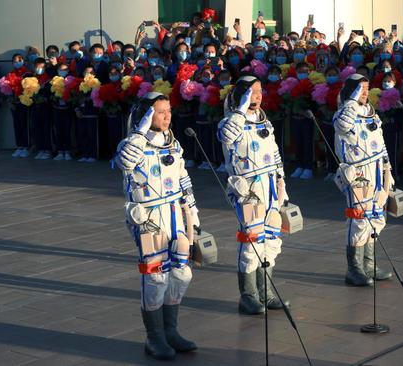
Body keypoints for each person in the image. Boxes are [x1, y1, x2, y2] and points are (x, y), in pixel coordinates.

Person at [115, 93, 199, 360]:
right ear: (145, 116)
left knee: (181, 273)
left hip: (175, 213)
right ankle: (155, 337)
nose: (166, 117)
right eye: (159, 112)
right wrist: (140, 131)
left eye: (168, 111)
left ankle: (170, 331)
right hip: (148, 217)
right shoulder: (132, 145)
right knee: (155, 278)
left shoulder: (173, 144)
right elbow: (125, 162)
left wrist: (193, 213)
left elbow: (183, 178)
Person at [217, 74, 291, 315]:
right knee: (251, 241)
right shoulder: (230, 122)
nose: (256, 97)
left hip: (270, 188)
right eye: (250, 92)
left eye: (259, 92)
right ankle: (248, 295)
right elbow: (226, 137)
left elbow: (276, 155)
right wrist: (240, 109)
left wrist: (282, 186)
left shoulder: (264, 123)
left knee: (271, 240)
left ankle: (266, 291)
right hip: (247, 191)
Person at [333, 74, 394, 287]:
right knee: (358, 219)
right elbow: (341, 126)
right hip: (357, 172)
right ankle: (354, 269)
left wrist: (388, 169)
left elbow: (380, 142)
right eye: (360, 89)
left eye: (367, 88)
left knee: (376, 216)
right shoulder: (344, 113)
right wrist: (351, 101)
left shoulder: (371, 113)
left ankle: (369, 264)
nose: (365, 93)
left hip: (377, 170)